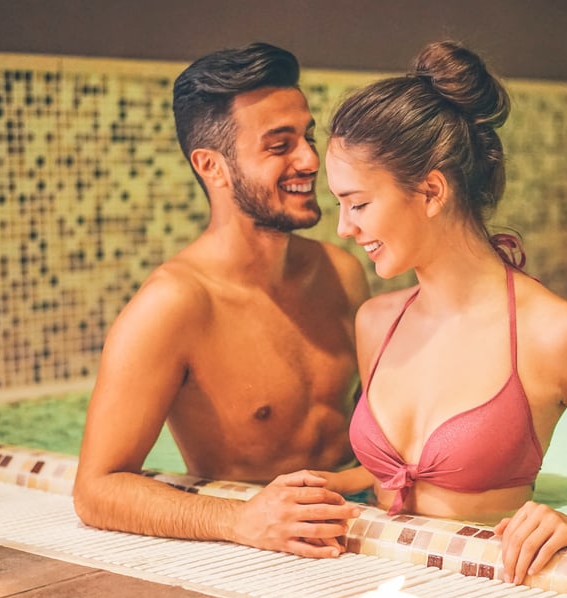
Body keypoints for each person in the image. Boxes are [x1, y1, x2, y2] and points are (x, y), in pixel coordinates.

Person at [318, 40, 567, 583]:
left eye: (359, 203)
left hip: (495, 588)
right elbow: (393, 477)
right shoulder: (376, 321)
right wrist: (324, 486)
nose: (344, 228)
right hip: (381, 576)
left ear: (432, 191)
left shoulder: (557, 334)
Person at [73, 43, 370, 558]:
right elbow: (96, 489)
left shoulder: (340, 272)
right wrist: (239, 520)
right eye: (280, 146)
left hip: (360, 523)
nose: (309, 160)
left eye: (308, 136)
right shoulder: (174, 306)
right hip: (258, 548)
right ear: (212, 166)